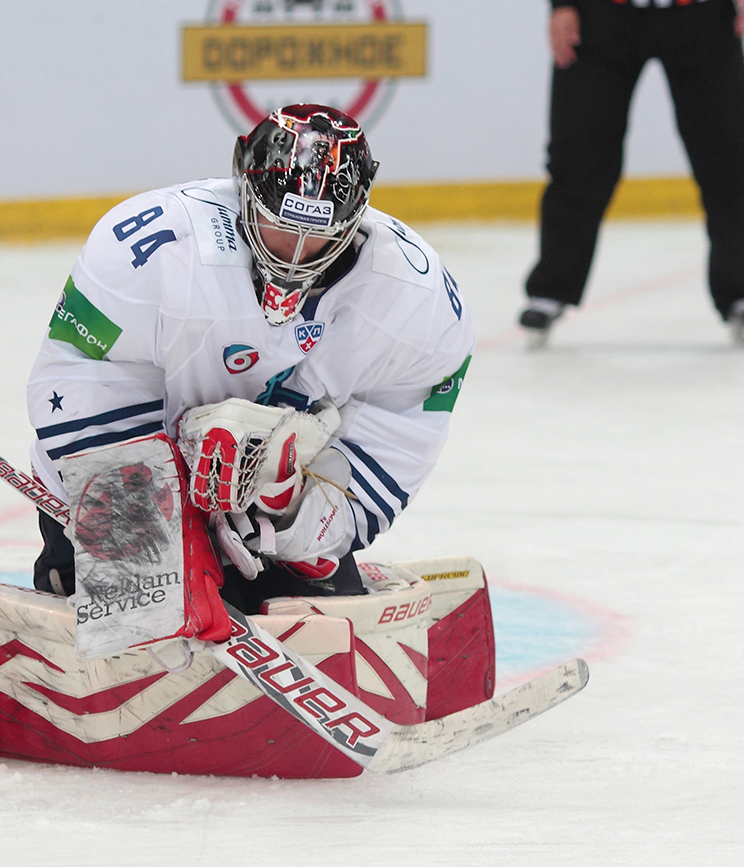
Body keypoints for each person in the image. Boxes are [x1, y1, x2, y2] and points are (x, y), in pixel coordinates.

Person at [25, 104, 475, 614]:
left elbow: (401, 423)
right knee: (137, 623)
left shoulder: (417, 296)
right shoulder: (150, 247)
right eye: (279, 224)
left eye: (319, 234)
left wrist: (298, 525)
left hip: (269, 510)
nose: (295, 251)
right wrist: (155, 535)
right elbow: (83, 378)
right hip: (121, 490)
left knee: (324, 618)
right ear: (244, 184)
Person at [520, 0, 744, 347]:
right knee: (578, 153)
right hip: (602, 15)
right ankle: (550, 289)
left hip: (701, 14)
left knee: (730, 153)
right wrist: (563, 4)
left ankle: (739, 287)